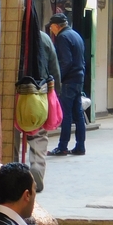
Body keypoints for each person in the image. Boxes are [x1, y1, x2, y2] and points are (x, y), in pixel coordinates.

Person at [47, 13, 87, 157]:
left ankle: (62, 147)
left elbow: (66, 61)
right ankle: (80, 146)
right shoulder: (75, 34)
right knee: (79, 114)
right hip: (79, 78)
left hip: (69, 81)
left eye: (52, 27)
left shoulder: (62, 37)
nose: (52, 31)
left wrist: (58, 79)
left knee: (66, 114)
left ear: (57, 26)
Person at [28, 28, 61, 191]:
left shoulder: (14, 34)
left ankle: (12, 173)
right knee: (38, 134)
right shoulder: (45, 38)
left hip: (17, 92)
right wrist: (56, 92)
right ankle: (37, 170)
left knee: (12, 134)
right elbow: (54, 68)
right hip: (39, 93)